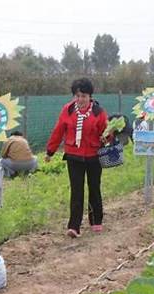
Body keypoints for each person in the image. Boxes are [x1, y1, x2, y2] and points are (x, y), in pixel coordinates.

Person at [45, 78, 109, 238]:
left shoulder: (98, 112)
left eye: (84, 96)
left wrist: (106, 137)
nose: (80, 100)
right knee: (76, 190)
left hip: (94, 156)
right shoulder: (67, 110)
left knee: (94, 188)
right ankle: (74, 226)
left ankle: (96, 221)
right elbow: (58, 130)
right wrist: (50, 151)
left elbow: (107, 132)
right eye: (77, 96)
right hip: (74, 156)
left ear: (90, 96)